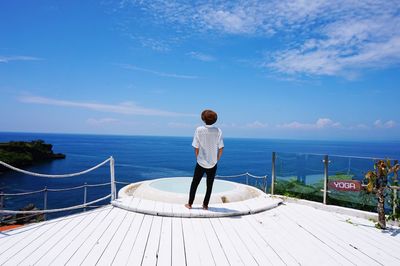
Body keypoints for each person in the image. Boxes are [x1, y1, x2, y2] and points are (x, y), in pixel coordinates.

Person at [185, 109, 224, 210]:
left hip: (201, 162)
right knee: (209, 185)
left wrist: (198, 157)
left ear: (203, 119)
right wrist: (216, 159)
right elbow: (221, 148)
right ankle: (205, 205)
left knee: (195, 183)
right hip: (213, 163)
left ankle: (189, 204)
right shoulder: (218, 131)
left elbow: (196, 146)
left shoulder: (199, 130)